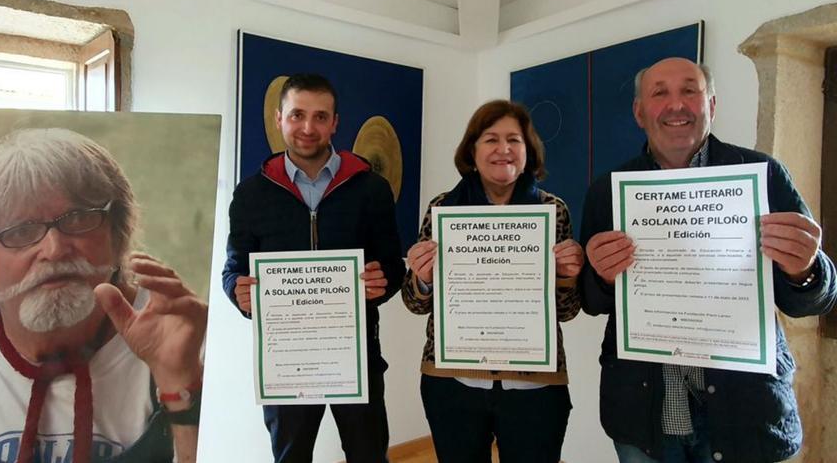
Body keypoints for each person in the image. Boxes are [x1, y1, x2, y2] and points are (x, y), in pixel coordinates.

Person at [580, 57, 837, 463]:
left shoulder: (763, 174)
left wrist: (804, 268)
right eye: (659, 93)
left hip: (745, 414)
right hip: (645, 419)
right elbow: (592, 302)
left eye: (690, 90)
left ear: (711, 105)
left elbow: (811, 300)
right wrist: (601, 278)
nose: (676, 104)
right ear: (639, 112)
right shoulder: (606, 191)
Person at [0, 129, 207, 463]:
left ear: (116, 237)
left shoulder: (189, 344)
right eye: (21, 231)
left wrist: (183, 387)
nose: (55, 249)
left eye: (78, 218)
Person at [222, 73, 405, 463]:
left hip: (357, 355)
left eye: (320, 117)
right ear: (279, 118)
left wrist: (382, 281)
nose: (308, 127)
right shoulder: (251, 194)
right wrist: (240, 292)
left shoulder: (371, 189)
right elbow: (234, 268)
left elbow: (392, 263)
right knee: (290, 457)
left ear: (335, 122)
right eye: (297, 115)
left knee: (369, 455)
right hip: (286, 357)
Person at [402, 99, 584, 463]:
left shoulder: (553, 211)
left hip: (535, 382)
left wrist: (566, 279)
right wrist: (421, 278)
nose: (503, 149)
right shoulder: (442, 210)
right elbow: (415, 303)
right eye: (491, 139)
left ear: (528, 150)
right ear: (472, 149)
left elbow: (567, 312)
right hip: (452, 380)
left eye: (514, 140)